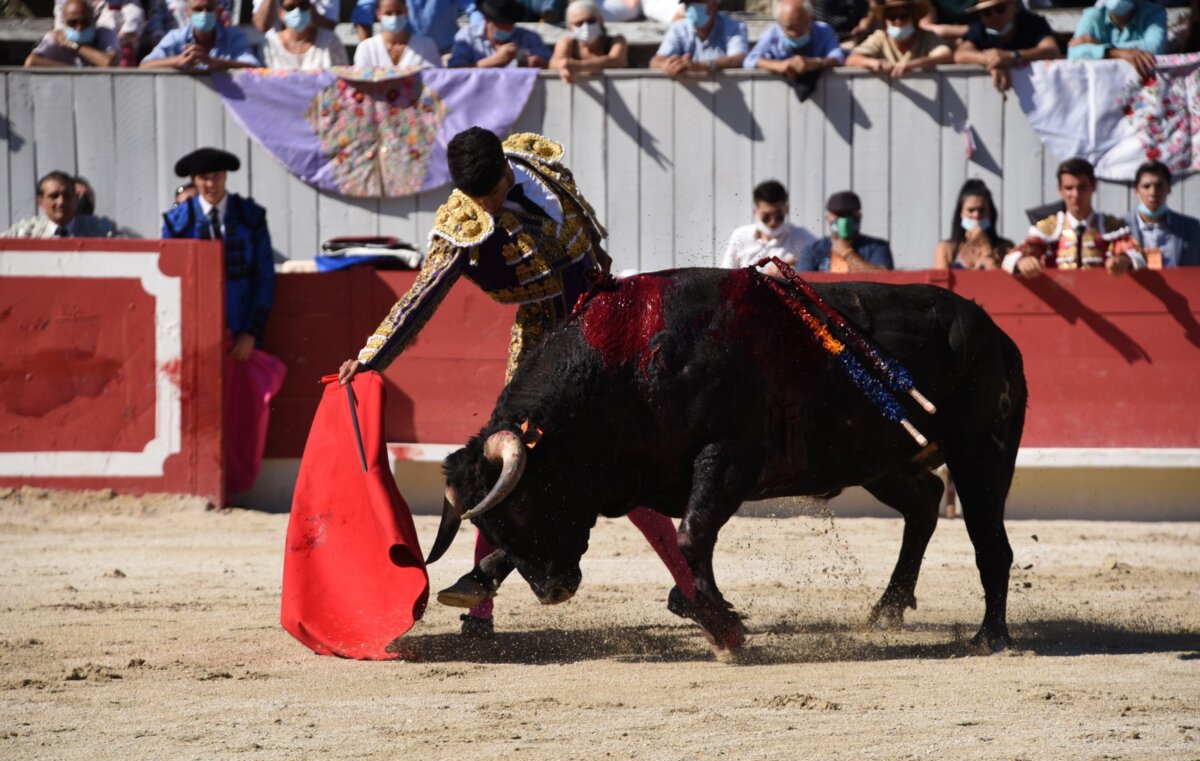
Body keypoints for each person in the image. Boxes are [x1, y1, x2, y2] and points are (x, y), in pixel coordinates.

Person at [335, 127, 696, 639]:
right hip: (545, 344)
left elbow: (589, 244)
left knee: (627, 458)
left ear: (506, 170)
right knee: (510, 460)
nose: (484, 204)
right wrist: (371, 359)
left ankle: (690, 582)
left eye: (491, 192)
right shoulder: (464, 221)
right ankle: (480, 609)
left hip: (603, 324)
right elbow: (421, 297)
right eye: (476, 197)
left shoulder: (534, 161)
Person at [162, 148, 283, 495]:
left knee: (240, 415)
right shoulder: (177, 222)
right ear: (194, 181)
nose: (209, 184)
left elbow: (264, 279)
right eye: (203, 178)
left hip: (241, 338)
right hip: (195, 340)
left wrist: (251, 333)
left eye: (215, 177)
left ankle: (235, 486)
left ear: (225, 177)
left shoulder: (250, 217)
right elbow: (172, 283)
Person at [1002, 158, 1145, 277]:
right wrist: (1022, 261)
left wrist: (1124, 259)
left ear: (1094, 187)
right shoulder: (1049, 227)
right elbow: (1016, 254)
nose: (1075, 195)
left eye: (1082, 187)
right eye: (1069, 188)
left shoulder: (1111, 226)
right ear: (1060, 190)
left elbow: (1137, 253)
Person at [953, 0, 1059, 93]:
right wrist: (992, 60)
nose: (995, 16)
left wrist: (1012, 56)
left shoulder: (1033, 23)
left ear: (1014, 6)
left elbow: (1051, 50)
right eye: (987, 12)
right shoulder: (978, 28)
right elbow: (960, 54)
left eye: (1000, 9)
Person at [745, 0, 845, 95]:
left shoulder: (824, 31)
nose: (794, 33)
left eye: (799, 27)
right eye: (788, 27)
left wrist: (816, 63)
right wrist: (779, 65)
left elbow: (838, 57)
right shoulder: (772, 34)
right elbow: (750, 60)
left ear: (810, 20)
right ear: (779, 23)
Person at [720, 180, 815, 271]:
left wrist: (800, 263)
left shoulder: (801, 237)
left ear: (787, 209)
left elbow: (824, 262)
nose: (773, 221)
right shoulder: (740, 236)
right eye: (766, 217)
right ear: (756, 212)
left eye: (779, 216)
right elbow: (726, 274)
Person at [140, 0, 261, 69]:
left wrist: (212, 62)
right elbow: (144, 66)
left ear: (218, 12)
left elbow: (253, 66)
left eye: (209, 9)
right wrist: (177, 61)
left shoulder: (234, 36)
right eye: (198, 9)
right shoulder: (176, 37)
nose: (204, 14)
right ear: (188, 12)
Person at [845, 0, 953, 78]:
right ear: (885, 21)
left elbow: (946, 56)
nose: (898, 21)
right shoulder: (880, 36)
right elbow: (852, 59)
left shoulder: (927, 36)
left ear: (914, 18)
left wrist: (914, 64)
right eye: (892, 17)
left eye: (903, 16)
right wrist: (874, 63)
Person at [1123, 161, 1200, 269]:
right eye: (1146, 186)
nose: (1153, 193)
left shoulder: (1192, 228)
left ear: (1169, 188)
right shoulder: (1120, 227)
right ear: (1136, 191)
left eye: (1159, 186)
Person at [797, 190, 894, 272]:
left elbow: (884, 278)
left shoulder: (877, 247)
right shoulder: (813, 249)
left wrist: (847, 253)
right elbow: (802, 284)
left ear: (859, 216)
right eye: (838, 214)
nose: (844, 219)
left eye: (849, 214)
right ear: (828, 218)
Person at [1067, 0, 1166, 79]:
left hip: (1141, 85)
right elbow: (1074, 53)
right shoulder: (1092, 15)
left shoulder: (1154, 12)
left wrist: (1099, 47)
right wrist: (1113, 52)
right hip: (1102, 82)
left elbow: (1154, 47)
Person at [4, 171, 118, 239]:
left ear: (75, 198)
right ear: (40, 202)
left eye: (67, 195)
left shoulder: (101, 230)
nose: (61, 202)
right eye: (54, 196)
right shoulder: (24, 232)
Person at [650, 0, 749, 77]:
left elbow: (738, 59)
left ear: (713, 5)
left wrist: (701, 66)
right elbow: (655, 61)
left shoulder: (734, 27)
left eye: (698, 2)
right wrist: (668, 65)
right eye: (688, 3)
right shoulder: (678, 28)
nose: (692, 8)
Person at [933, 179, 1013, 270]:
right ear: (961, 213)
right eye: (971, 210)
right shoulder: (946, 249)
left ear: (990, 212)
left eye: (981, 210)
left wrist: (985, 247)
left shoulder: (1005, 247)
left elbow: (1001, 282)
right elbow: (941, 280)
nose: (976, 215)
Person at [449, 0, 552, 67]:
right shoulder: (467, 37)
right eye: (501, 24)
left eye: (509, 24)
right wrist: (495, 60)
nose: (506, 29)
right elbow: (454, 73)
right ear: (487, 20)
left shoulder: (530, 38)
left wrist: (539, 63)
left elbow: (552, 64)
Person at [549, 0, 629, 83]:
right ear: (570, 28)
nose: (586, 26)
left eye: (591, 21)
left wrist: (580, 66)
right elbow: (554, 63)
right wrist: (564, 65)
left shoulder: (617, 41)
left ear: (600, 21)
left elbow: (616, 60)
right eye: (579, 23)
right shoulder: (568, 42)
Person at [352, 0, 474, 53]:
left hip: (446, 54)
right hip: (399, 54)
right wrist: (369, 50)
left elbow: (473, 9)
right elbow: (364, 12)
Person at [25, 0, 119, 68]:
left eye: (84, 22)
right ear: (64, 22)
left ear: (94, 21)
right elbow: (31, 62)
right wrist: (72, 72)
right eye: (72, 23)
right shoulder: (55, 38)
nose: (79, 28)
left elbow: (109, 63)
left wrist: (75, 46)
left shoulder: (105, 33)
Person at [355, 0, 444, 68]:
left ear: (406, 11)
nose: (394, 17)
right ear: (378, 14)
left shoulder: (426, 46)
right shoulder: (366, 48)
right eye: (388, 13)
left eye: (399, 12)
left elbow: (434, 81)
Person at [262, 0, 349, 68]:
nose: (297, 11)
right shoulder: (269, 45)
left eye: (303, 6)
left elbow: (344, 79)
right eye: (290, 7)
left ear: (311, 9)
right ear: (280, 13)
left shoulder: (330, 41)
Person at [54, 0, 144, 65]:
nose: (79, 26)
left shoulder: (128, 5)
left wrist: (76, 46)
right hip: (69, 50)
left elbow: (132, 26)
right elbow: (60, 31)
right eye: (74, 23)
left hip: (115, 48)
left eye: (84, 22)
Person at [253, 0, 338, 33]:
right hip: (274, 52)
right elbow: (262, 26)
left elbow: (330, 25)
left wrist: (305, 6)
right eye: (290, 8)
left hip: (317, 50)